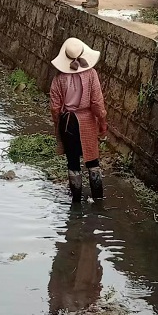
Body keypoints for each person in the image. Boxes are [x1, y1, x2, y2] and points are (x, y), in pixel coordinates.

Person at [50, 37, 107, 203]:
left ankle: (76, 198)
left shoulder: (58, 78)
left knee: (73, 161)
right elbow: (97, 102)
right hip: (87, 120)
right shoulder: (91, 74)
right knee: (92, 158)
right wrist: (102, 121)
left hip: (68, 122)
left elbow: (55, 107)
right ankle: (98, 198)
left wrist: (58, 124)